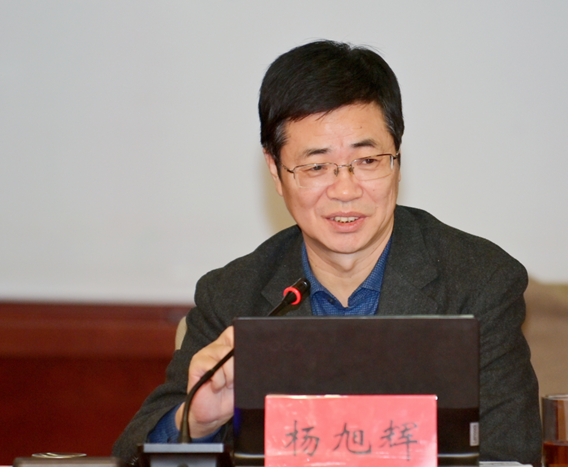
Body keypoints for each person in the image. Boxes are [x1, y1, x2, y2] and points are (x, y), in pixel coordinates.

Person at [113, 40, 541, 464]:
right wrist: (197, 422)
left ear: (397, 160)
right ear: (276, 172)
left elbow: (511, 455)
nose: (346, 190)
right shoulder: (232, 294)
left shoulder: (479, 281)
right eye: (317, 166)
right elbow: (129, 456)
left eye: (368, 161)